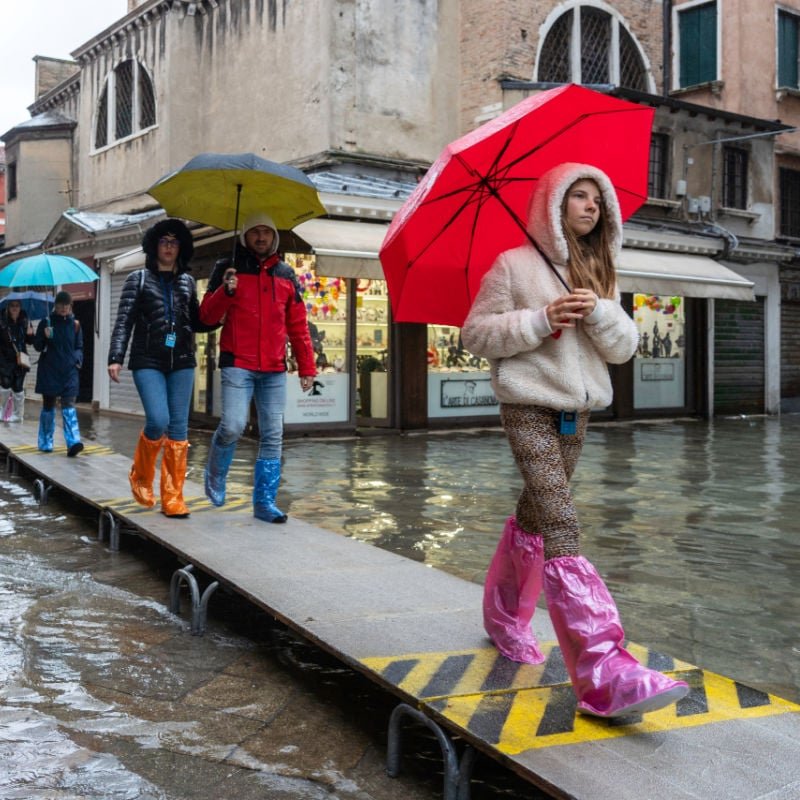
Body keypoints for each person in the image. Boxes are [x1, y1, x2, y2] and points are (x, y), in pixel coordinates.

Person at [461, 162, 690, 719]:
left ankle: (504, 618)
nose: (591, 206)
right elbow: (474, 334)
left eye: (597, 199)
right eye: (578, 197)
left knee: (537, 514)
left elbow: (623, 349)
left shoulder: (601, 270)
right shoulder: (513, 264)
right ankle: (602, 671)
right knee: (563, 522)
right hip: (528, 408)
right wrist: (540, 319)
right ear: (552, 205)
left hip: (577, 414)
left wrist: (602, 315)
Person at [199, 213, 316, 523]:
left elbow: (298, 326)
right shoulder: (228, 269)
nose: (261, 237)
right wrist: (226, 290)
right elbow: (206, 318)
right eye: (255, 232)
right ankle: (214, 474)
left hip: (275, 367)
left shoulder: (287, 274)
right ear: (245, 236)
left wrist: (307, 368)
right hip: (238, 363)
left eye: (267, 231)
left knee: (273, 434)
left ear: (274, 237)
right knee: (234, 425)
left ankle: (264, 503)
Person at [108, 219, 213, 518]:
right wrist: (115, 356)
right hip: (147, 360)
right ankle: (141, 476)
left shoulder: (188, 282)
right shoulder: (137, 279)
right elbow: (124, 322)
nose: (169, 247)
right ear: (154, 245)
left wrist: (224, 294)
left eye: (174, 242)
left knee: (179, 429)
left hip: (181, 361)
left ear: (181, 248)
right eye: (164, 241)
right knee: (158, 420)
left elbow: (199, 322)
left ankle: (173, 496)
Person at [33, 291, 84, 457]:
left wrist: (77, 360)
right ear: (55, 305)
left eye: (67, 305)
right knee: (49, 406)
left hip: (69, 371)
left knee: (69, 405)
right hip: (50, 370)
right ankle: (46, 442)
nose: (64, 308)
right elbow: (38, 347)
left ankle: (73, 442)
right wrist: (44, 336)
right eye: (61, 305)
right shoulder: (46, 323)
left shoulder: (75, 325)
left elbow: (79, 346)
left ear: (71, 307)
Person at [0, 299, 34, 422]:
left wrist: (30, 334)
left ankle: (18, 415)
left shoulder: (25, 321)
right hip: (5, 360)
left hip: (21, 360)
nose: (15, 308)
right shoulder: (2, 321)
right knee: (5, 385)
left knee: (18, 387)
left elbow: (31, 342)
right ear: (8, 308)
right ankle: (2, 411)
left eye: (17, 306)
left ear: (20, 308)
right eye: (12, 306)